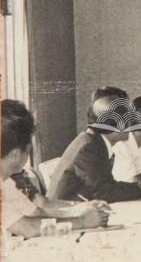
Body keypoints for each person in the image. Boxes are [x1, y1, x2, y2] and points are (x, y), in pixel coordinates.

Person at [2, 100, 111, 239]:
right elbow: (28, 228)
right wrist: (83, 221)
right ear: (15, 154)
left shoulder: (5, 181)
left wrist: (82, 209)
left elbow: (36, 212)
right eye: (29, 148)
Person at [48, 96, 141, 202]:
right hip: (63, 213)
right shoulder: (88, 147)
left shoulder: (95, 141)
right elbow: (103, 192)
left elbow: (107, 185)